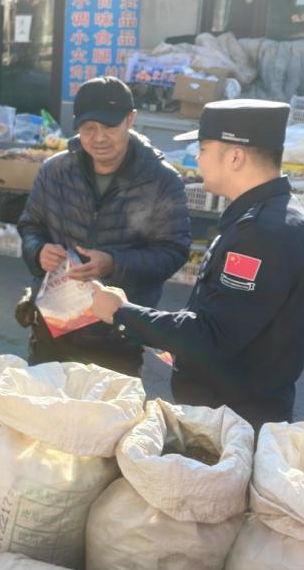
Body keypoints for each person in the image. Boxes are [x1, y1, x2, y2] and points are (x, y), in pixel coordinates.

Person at [90, 99, 304, 429]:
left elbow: (213, 335)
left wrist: (122, 313)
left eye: (202, 149)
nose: (197, 159)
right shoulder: (271, 216)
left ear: (235, 156)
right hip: (233, 413)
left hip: (232, 423)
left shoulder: (261, 233)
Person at [16, 77, 190, 376]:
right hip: (53, 325)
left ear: (130, 119)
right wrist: (38, 252)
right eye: (88, 128)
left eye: (109, 127)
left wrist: (113, 263)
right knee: (42, 399)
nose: (98, 138)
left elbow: (173, 251)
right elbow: (30, 226)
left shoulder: (161, 180)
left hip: (117, 332)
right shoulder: (55, 171)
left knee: (109, 404)